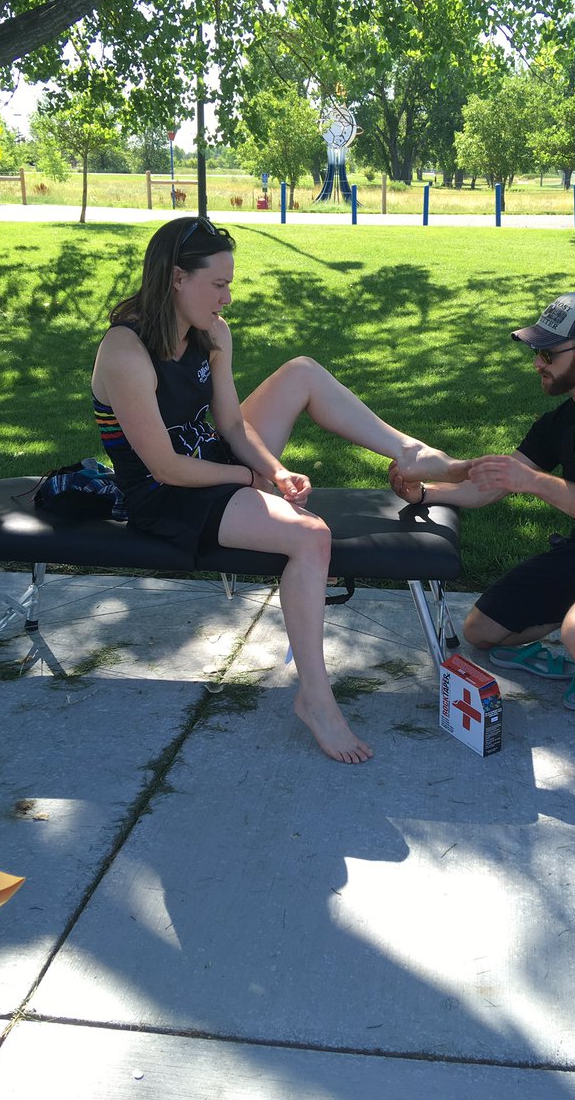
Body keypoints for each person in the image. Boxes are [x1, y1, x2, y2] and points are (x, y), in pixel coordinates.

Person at [91, 216, 456, 763]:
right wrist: (246, 476)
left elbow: (232, 426)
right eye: (218, 285)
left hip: (210, 461)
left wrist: (273, 470)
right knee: (310, 537)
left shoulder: (211, 333)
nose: (227, 298)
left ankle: (407, 452)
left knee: (301, 372)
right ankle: (316, 698)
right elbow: (165, 468)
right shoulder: (126, 352)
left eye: (229, 284)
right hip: (166, 495)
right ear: (175, 278)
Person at [390, 291, 575, 710]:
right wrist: (424, 494)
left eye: (548, 354)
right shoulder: (561, 422)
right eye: (536, 352)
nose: (537, 364)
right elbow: (492, 483)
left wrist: (534, 482)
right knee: (481, 631)